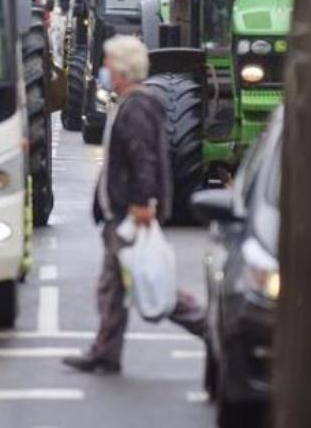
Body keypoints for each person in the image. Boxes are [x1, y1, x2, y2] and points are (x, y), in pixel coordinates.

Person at [62, 35, 206, 374]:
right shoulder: (129, 101)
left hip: (131, 213)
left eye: (109, 64)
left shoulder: (138, 104)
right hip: (123, 212)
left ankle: (212, 330)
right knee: (113, 287)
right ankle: (105, 351)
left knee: (151, 283)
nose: (104, 70)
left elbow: (145, 159)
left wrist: (142, 202)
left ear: (123, 69)